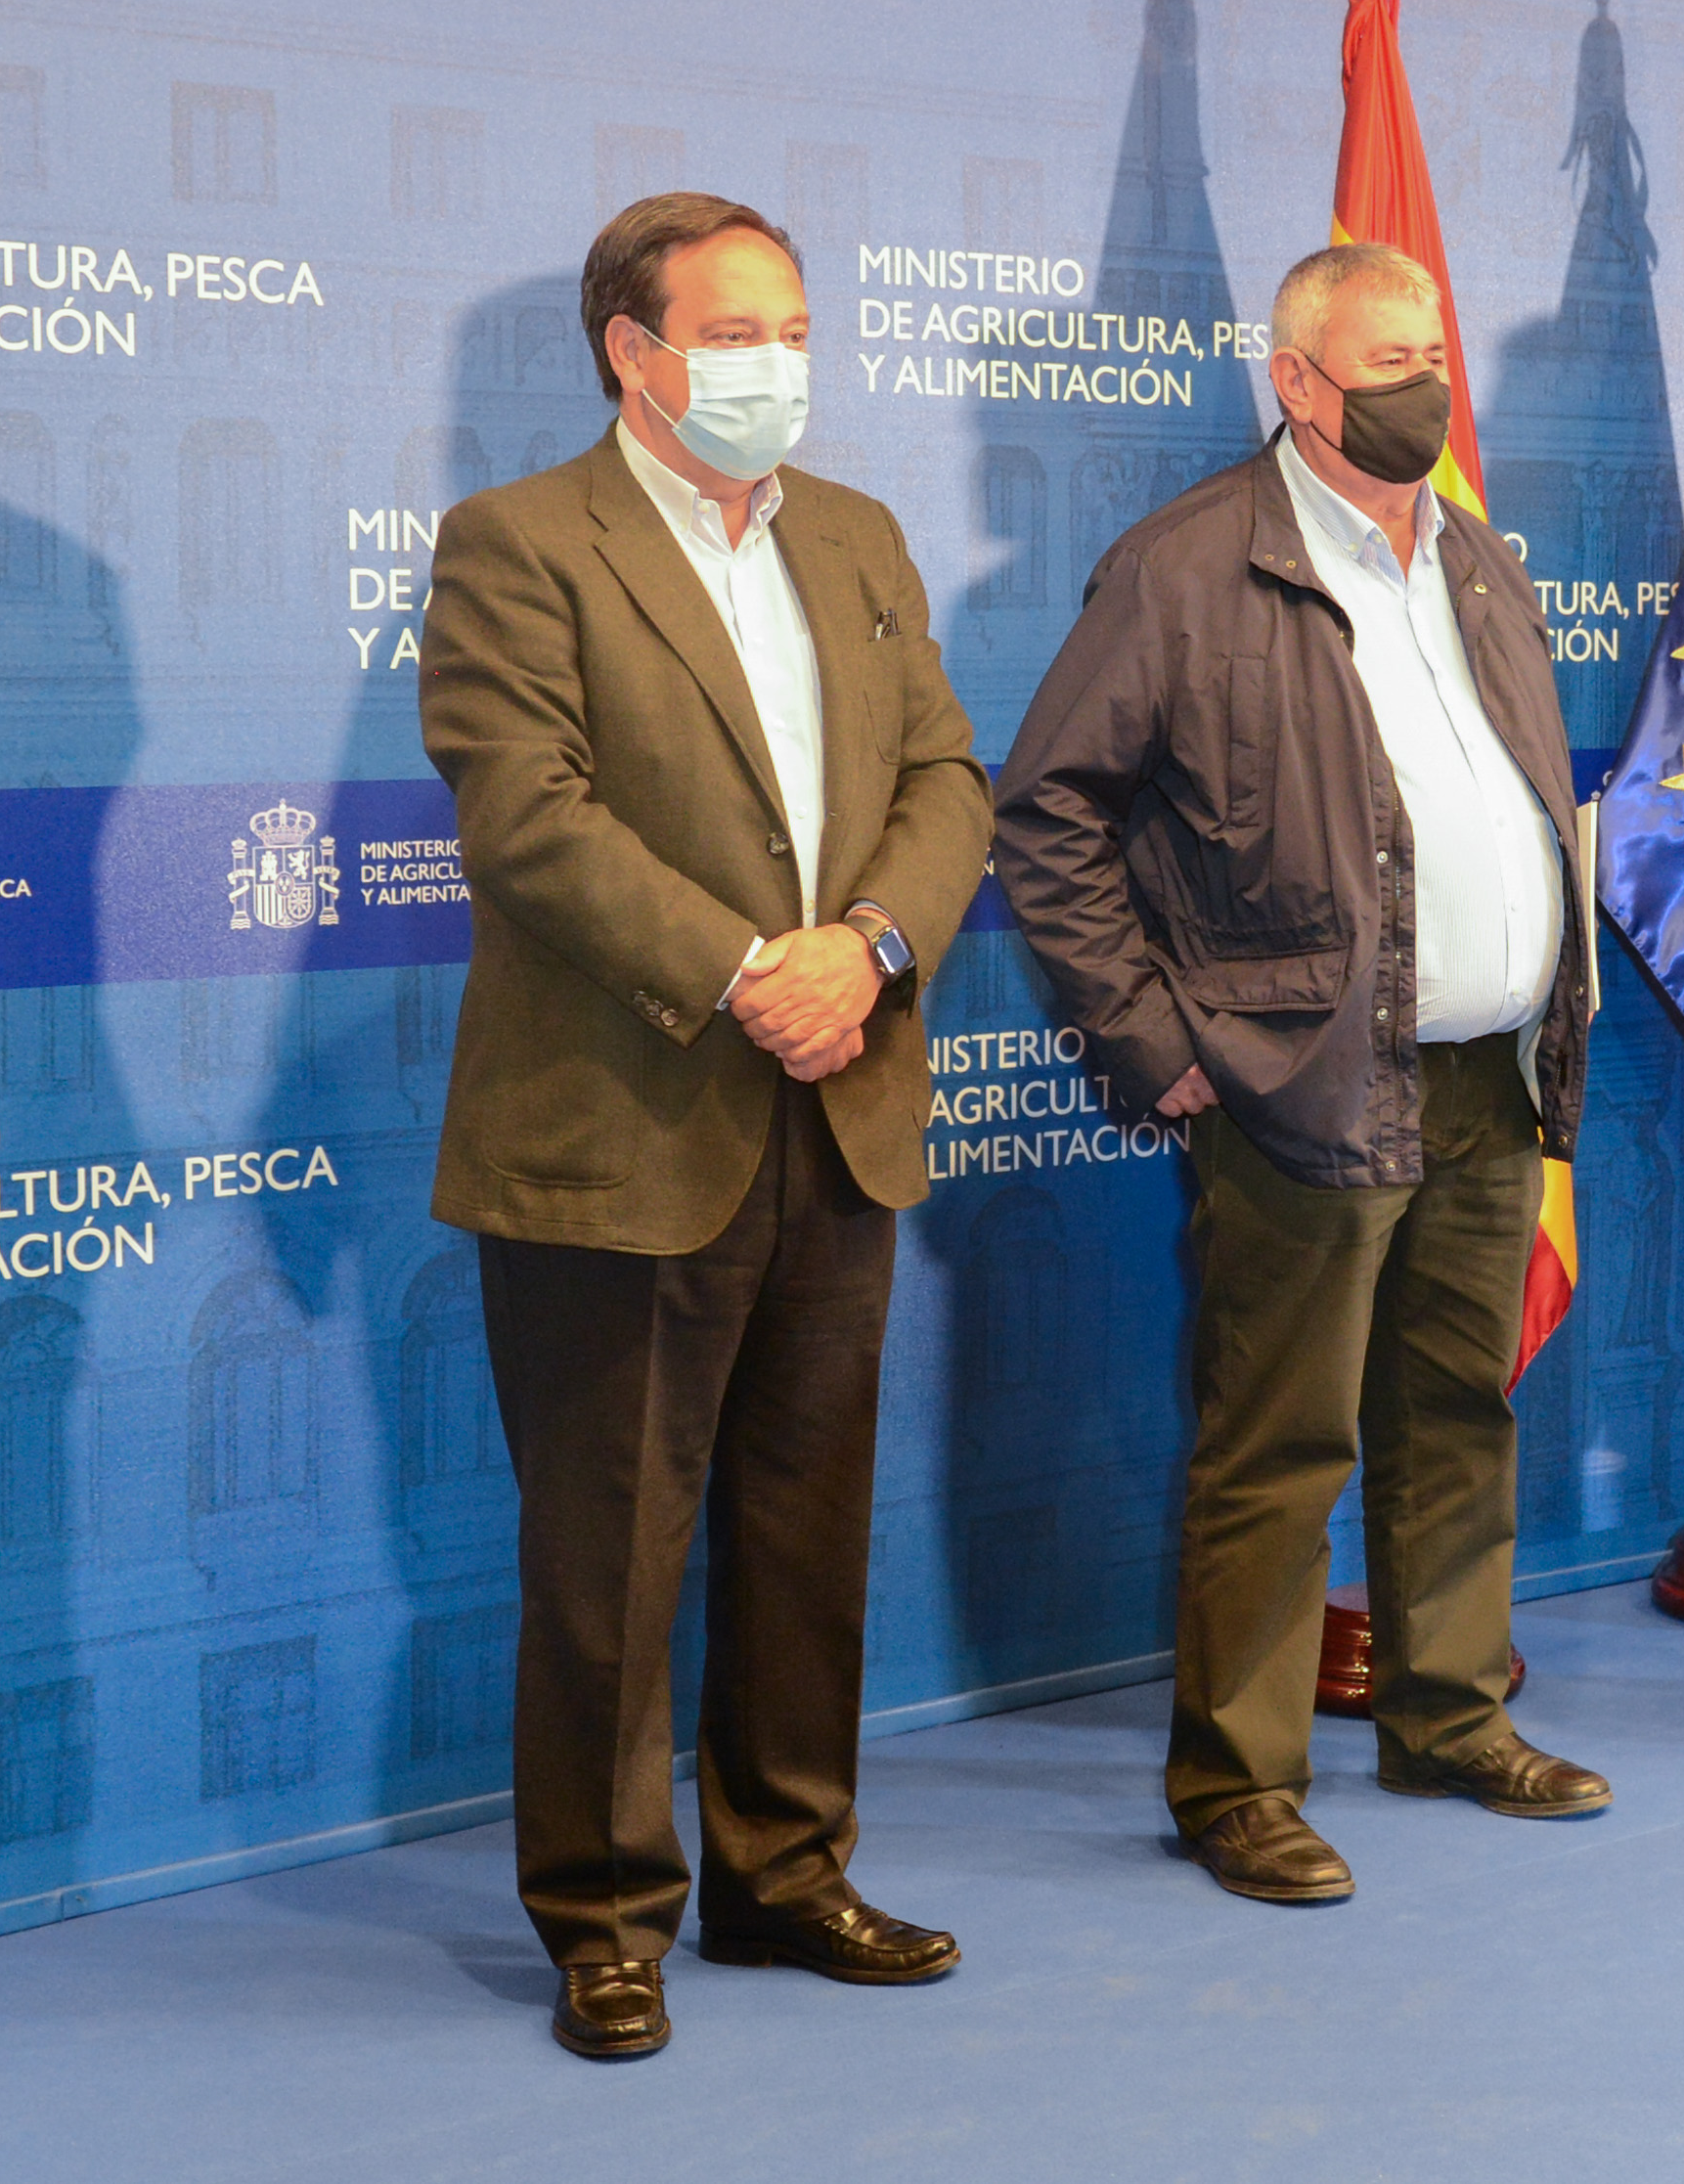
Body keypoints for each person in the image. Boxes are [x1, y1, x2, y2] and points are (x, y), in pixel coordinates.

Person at [419, 192, 991, 2059]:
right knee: (609, 1550)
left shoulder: (856, 534)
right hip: (621, 1127)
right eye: (737, 334)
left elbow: (944, 773)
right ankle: (604, 1919)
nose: (778, 367)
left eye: (794, 332)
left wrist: (871, 948)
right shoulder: (519, 544)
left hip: (843, 1107)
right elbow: (527, 816)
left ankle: (785, 1872)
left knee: (805, 1528)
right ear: (633, 351)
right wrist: (755, 969)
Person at [993, 242, 1605, 1904]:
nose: (1425, 386)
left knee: (1455, 1416)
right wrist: (1152, 1038)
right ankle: (1239, 1780)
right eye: (1388, 360)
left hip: (1489, 1076)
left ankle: (1449, 1712)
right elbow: (1048, 816)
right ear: (1298, 381)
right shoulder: (1187, 566)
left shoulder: (1475, 558)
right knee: (1278, 1444)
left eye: (1434, 355)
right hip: (1298, 1083)